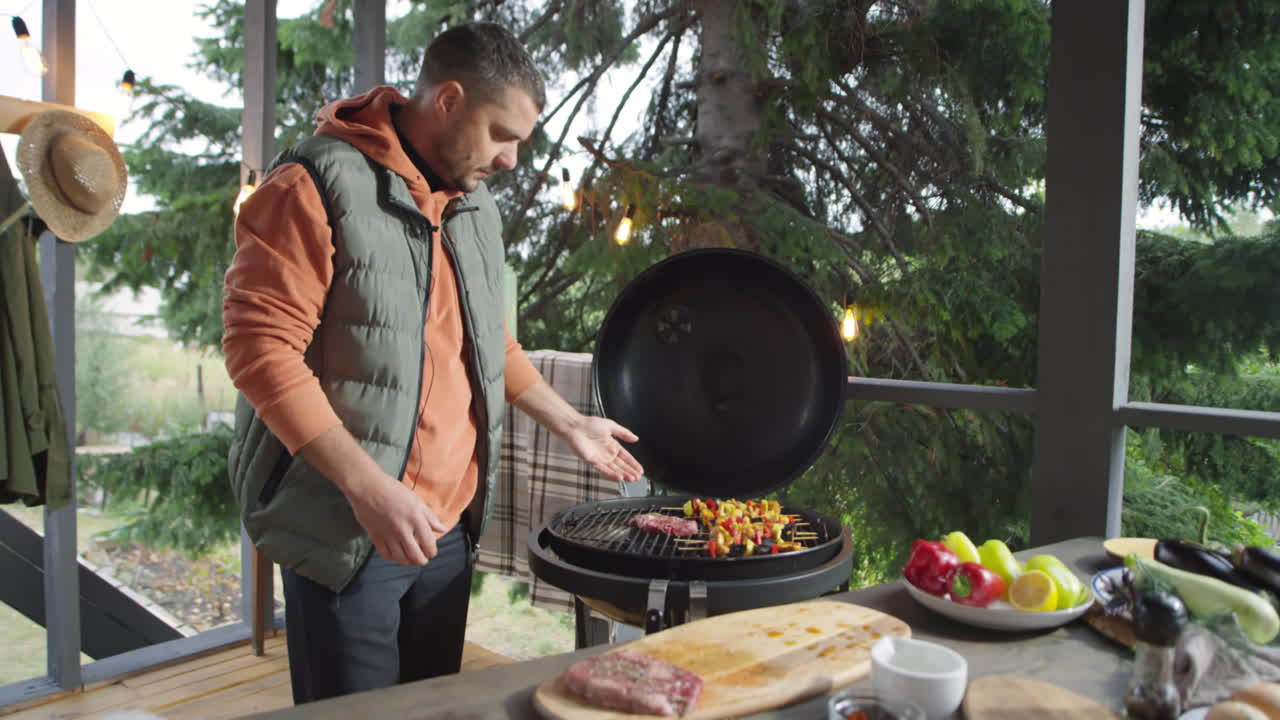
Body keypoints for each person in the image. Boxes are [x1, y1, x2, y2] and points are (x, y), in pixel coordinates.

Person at [222, 22, 643, 704]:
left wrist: (572, 424)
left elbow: (490, 344)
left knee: (432, 710)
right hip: (348, 526)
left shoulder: (475, 207)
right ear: (448, 99)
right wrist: (368, 488)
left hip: (446, 528)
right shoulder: (311, 184)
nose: (510, 160)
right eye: (501, 134)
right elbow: (258, 350)